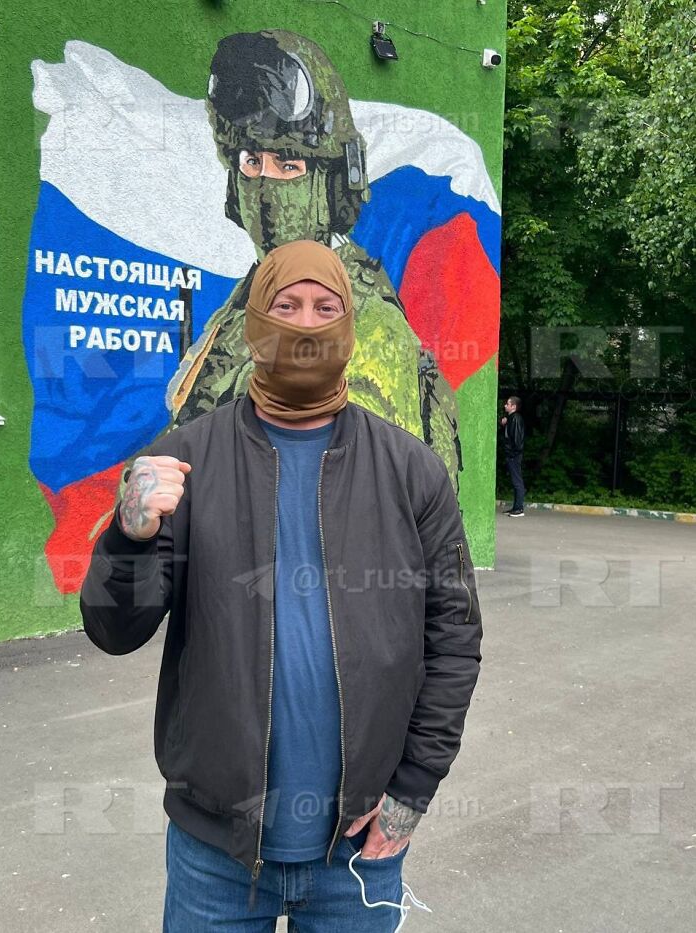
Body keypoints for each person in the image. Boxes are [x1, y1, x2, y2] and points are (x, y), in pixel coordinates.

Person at [80, 240, 483, 932]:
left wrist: (412, 788)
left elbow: (454, 640)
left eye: (325, 307)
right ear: (253, 326)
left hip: (357, 851)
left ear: (349, 327)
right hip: (217, 851)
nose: (304, 324)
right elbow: (115, 631)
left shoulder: (411, 470)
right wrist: (128, 536)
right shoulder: (184, 458)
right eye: (285, 305)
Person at [148, 30, 463, 493]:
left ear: (332, 185)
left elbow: (351, 511)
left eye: (289, 166)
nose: (265, 186)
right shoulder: (246, 306)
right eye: (251, 162)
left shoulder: (361, 324)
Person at [501, 396, 525, 517]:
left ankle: (519, 508)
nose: (505, 405)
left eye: (508, 404)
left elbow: (516, 440)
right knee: (515, 481)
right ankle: (516, 507)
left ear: (513, 406)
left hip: (513, 455)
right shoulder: (511, 419)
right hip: (512, 454)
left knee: (517, 481)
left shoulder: (515, 419)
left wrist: (513, 453)